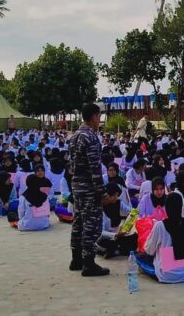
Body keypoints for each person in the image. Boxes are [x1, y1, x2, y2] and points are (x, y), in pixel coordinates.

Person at [69, 103, 118, 277]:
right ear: (94, 117)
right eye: (99, 116)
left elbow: (73, 166)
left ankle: (76, 259)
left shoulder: (75, 136)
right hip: (89, 189)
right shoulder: (90, 137)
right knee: (91, 226)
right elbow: (95, 169)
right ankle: (88, 264)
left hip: (77, 187)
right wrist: (102, 194)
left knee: (79, 223)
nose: (100, 119)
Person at [140, 192, 184, 283]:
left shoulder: (160, 225)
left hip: (167, 274)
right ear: (181, 207)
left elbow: (149, 250)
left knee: (140, 257)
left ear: (166, 208)